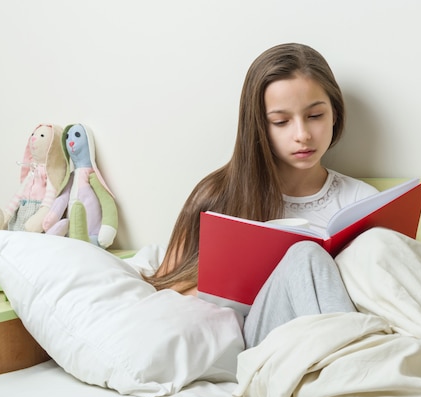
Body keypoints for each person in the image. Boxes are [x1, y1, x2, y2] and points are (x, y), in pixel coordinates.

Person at [144, 42, 379, 347]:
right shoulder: (217, 195)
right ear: (259, 127)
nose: (302, 135)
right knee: (304, 255)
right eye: (281, 122)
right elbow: (165, 293)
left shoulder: (363, 200)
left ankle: (354, 370)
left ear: (335, 114)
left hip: (350, 331)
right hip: (260, 340)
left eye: (315, 116)